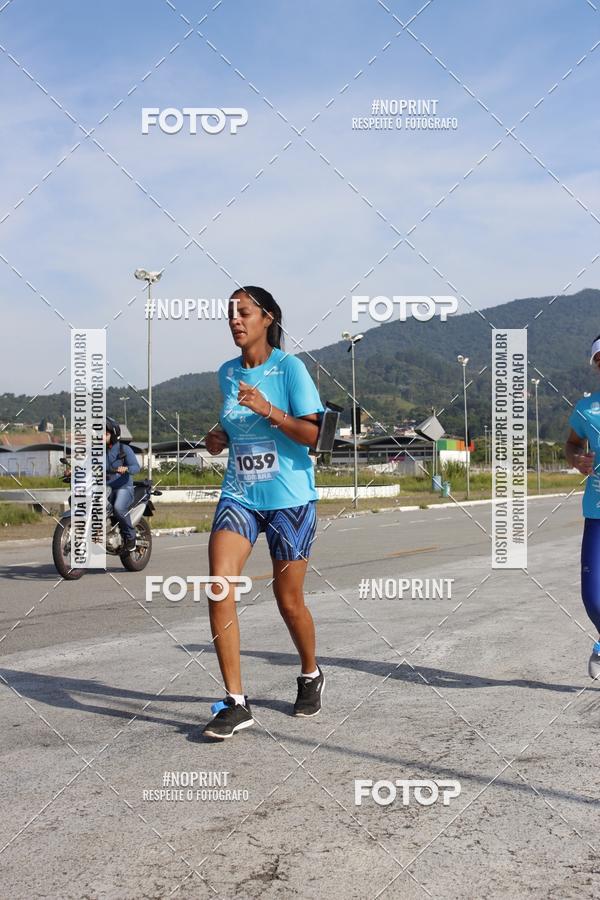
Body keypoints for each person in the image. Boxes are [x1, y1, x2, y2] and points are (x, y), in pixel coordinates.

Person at [202, 286, 325, 739]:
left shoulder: (290, 369)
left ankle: (310, 672)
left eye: (244, 312)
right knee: (219, 585)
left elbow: (313, 436)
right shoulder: (226, 373)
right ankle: (235, 702)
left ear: (267, 318)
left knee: (288, 600)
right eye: (230, 314)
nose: (235, 320)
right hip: (240, 495)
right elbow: (236, 425)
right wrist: (219, 437)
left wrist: (268, 408)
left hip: (290, 499)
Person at [566, 334, 600, 679]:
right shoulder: (587, 409)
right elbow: (571, 443)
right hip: (597, 513)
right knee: (593, 598)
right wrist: (577, 459)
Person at [105, 417, 140, 552]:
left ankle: (130, 537)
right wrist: (73, 471)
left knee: (119, 508)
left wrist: (127, 468)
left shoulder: (124, 449)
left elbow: (136, 467)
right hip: (104, 488)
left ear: (113, 435)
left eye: (105, 434)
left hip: (123, 487)